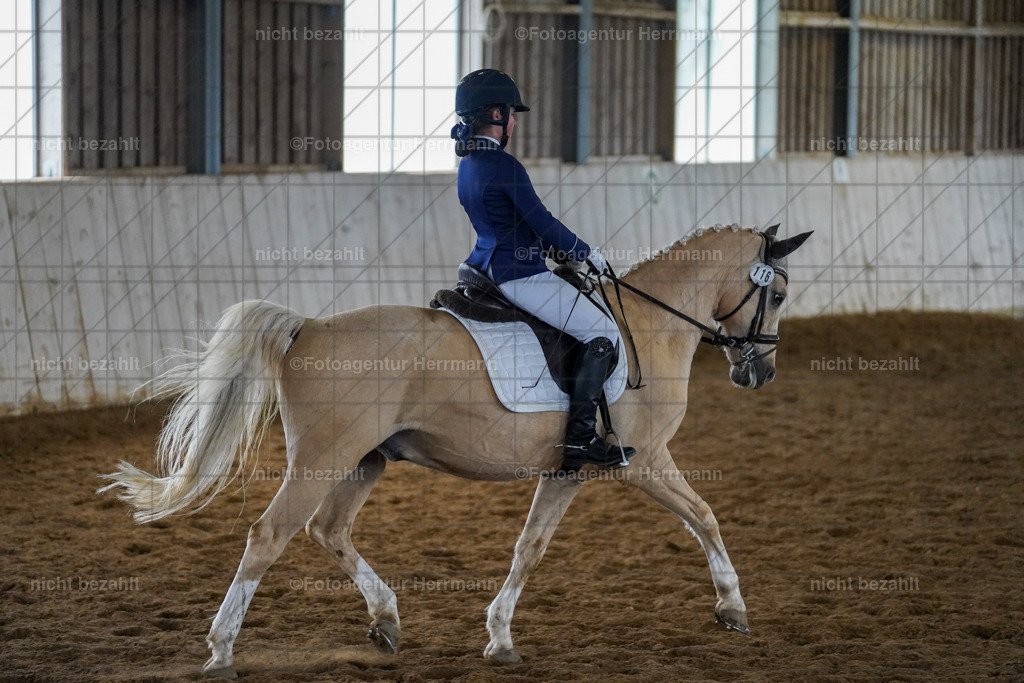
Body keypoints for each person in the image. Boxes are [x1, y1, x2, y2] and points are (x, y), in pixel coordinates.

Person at [450, 68, 636, 473]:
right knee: (602, 333)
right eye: (511, 114)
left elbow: (509, 222)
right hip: (519, 276)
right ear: (497, 116)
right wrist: (586, 253)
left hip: (481, 266)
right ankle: (582, 438)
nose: (515, 122)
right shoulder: (504, 166)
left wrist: (552, 249)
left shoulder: (469, 164)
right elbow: (542, 220)